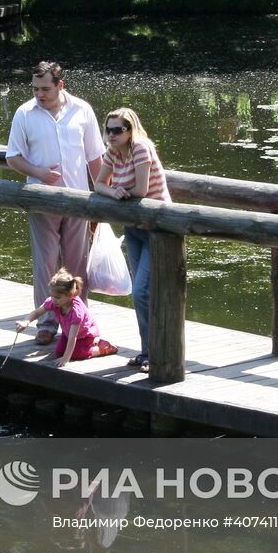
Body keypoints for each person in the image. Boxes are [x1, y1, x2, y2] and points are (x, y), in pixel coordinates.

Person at [5, 61, 105, 345]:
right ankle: (47, 324)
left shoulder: (82, 110)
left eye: (46, 88)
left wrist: (101, 197)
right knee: (46, 265)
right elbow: (13, 157)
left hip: (78, 201)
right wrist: (39, 174)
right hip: (41, 200)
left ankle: (79, 321)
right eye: (36, 89)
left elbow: (95, 158)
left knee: (77, 266)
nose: (40, 94)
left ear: (60, 85)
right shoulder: (25, 113)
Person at [92, 107, 170, 373]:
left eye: (118, 130)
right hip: (134, 226)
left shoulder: (141, 148)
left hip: (156, 228)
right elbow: (98, 184)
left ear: (130, 131)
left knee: (141, 291)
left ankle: (155, 352)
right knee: (141, 294)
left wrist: (120, 190)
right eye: (108, 129)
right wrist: (114, 192)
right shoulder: (113, 151)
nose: (111, 135)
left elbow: (142, 190)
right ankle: (147, 351)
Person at [16, 269, 119, 368]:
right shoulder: (54, 302)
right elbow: (37, 312)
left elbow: (73, 337)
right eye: (52, 296)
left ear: (70, 295)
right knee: (60, 351)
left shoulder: (76, 312)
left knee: (77, 354)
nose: (53, 300)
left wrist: (66, 358)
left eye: (57, 297)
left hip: (84, 335)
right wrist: (26, 322)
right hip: (68, 333)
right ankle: (91, 344)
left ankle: (103, 348)